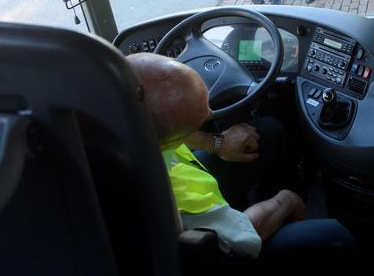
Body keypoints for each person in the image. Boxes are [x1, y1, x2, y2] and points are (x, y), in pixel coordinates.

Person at [127, 53, 355, 271]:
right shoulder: (175, 193)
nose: (209, 114)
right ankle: (288, 218)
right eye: (199, 119)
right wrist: (284, 201)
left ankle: (284, 218)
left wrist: (216, 143)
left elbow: (169, 127)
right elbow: (242, 240)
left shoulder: (116, 112)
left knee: (269, 133)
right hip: (218, 254)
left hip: (188, 183)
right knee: (334, 236)